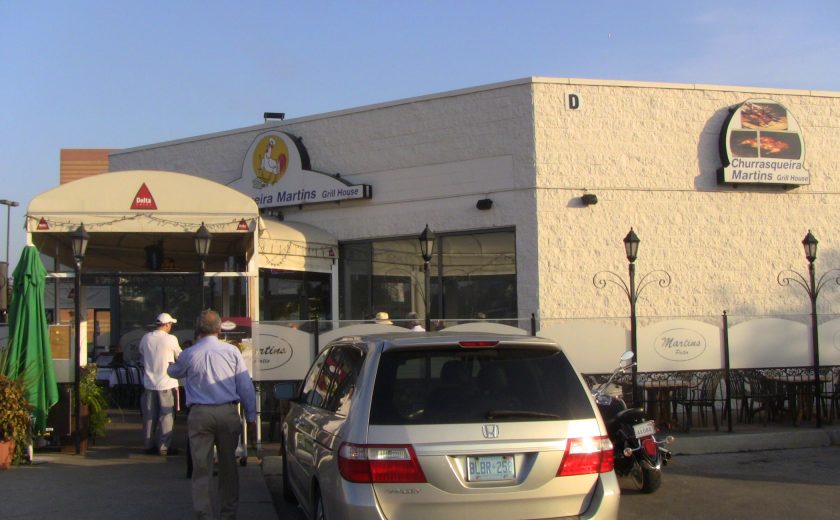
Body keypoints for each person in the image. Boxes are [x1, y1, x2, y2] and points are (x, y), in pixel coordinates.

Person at [167, 309, 257, 520]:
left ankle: (205, 514)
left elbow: (174, 372)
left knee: (201, 468)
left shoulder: (189, 353)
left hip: (200, 413)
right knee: (228, 467)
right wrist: (251, 416)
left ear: (199, 329)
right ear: (219, 328)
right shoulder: (232, 352)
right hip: (227, 411)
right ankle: (228, 513)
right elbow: (245, 386)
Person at [138, 312, 182, 456]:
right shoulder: (171, 339)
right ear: (167, 324)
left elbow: (141, 353)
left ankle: (148, 444)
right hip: (166, 382)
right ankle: (164, 446)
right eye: (171, 324)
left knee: (149, 416)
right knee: (166, 416)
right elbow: (180, 356)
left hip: (149, 383)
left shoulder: (146, 338)